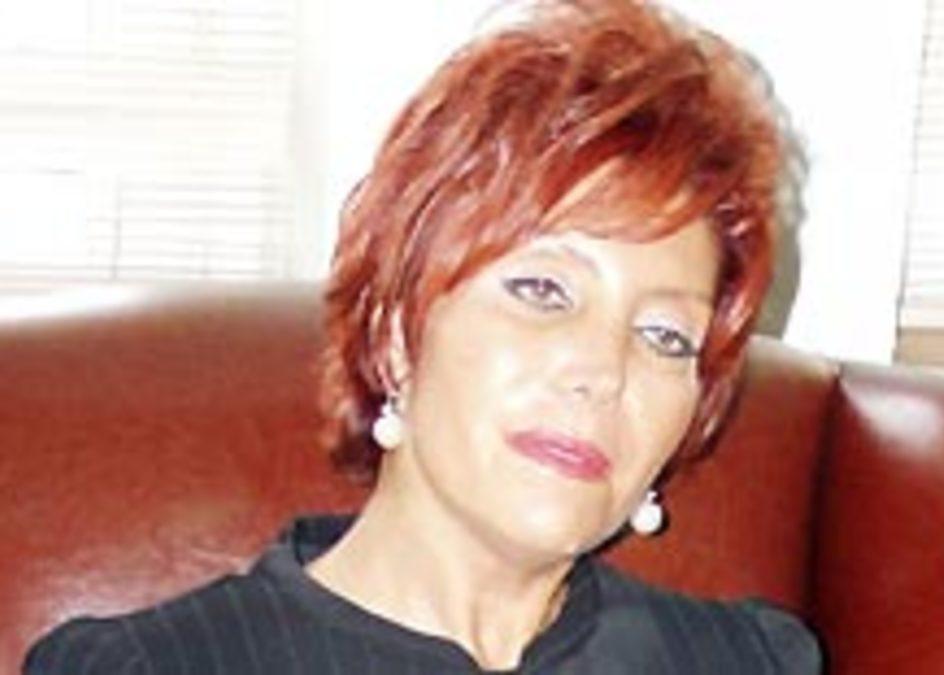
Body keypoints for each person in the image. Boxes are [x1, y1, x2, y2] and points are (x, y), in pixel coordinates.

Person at [24, 0, 819, 672]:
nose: (604, 370)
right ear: (397, 331)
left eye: (666, 336)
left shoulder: (748, 659)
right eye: (543, 291)